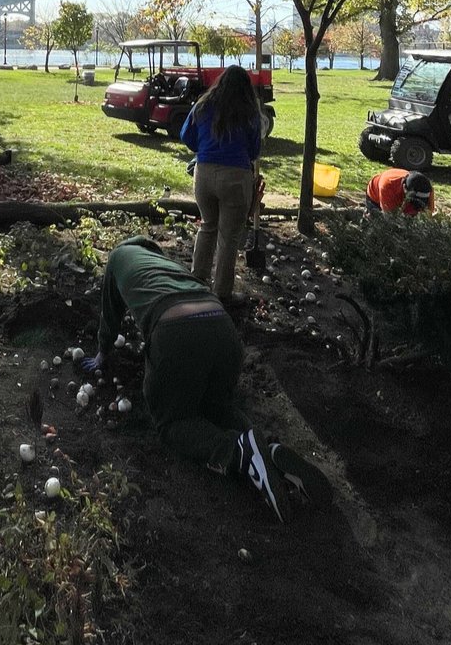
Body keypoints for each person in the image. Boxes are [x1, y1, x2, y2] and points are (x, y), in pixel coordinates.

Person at [82, 238, 331, 523]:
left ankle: (236, 453)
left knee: (172, 422)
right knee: (213, 404)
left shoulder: (117, 257)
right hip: (223, 330)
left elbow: (110, 315)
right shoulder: (170, 266)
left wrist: (102, 352)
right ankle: (267, 450)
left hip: (177, 333)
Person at [179, 64, 264, 303]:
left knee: (208, 225)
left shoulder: (203, 105)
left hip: (204, 174)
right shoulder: (249, 112)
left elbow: (187, 137)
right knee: (228, 237)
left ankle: (197, 281)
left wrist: (207, 148)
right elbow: (254, 150)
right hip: (236, 178)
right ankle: (222, 294)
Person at [365, 168, 435, 217]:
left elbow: (428, 214)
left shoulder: (427, 189)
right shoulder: (388, 187)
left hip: (401, 196)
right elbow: (389, 218)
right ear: (404, 188)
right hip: (375, 196)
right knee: (376, 224)